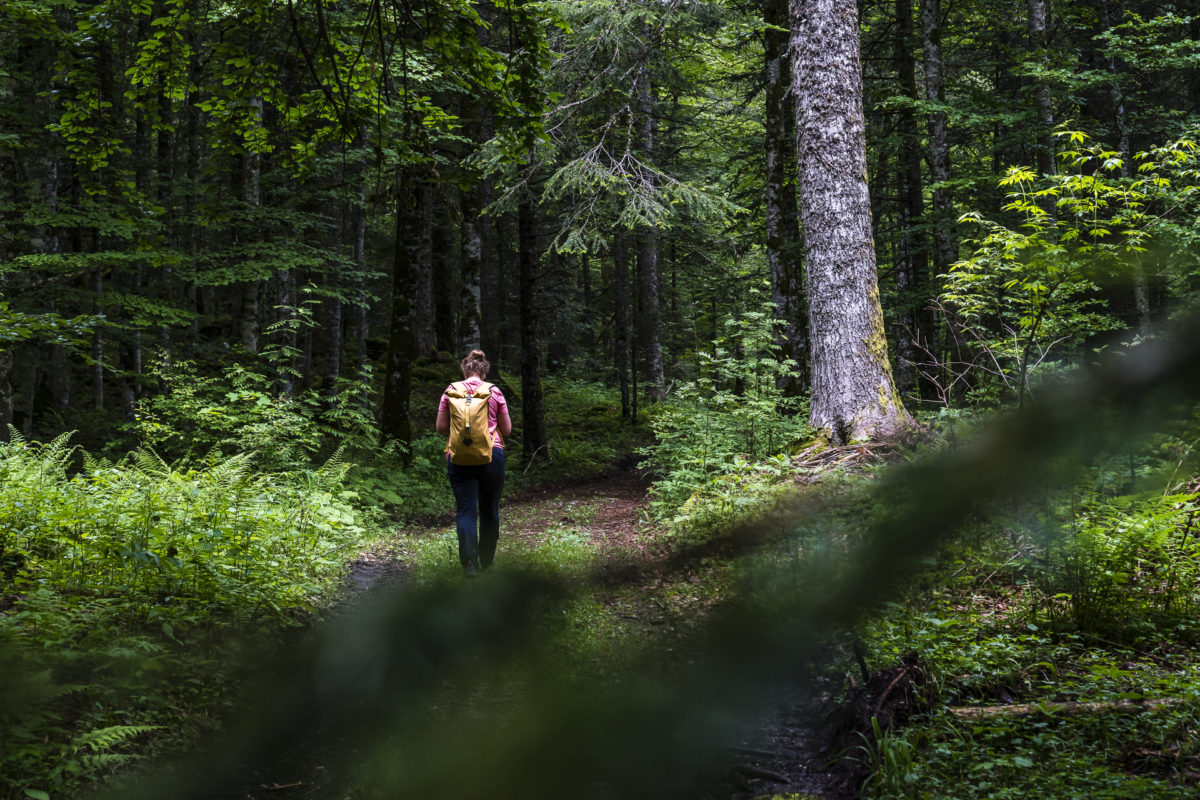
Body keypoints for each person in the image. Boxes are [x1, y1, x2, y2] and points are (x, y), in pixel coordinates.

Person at [435, 349, 513, 577]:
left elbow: (441, 428)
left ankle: (470, 564)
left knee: (466, 510)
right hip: (492, 455)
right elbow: (506, 430)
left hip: (458, 457)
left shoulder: (450, 391)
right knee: (489, 509)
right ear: (484, 371)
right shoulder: (494, 392)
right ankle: (487, 561)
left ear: (465, 369)